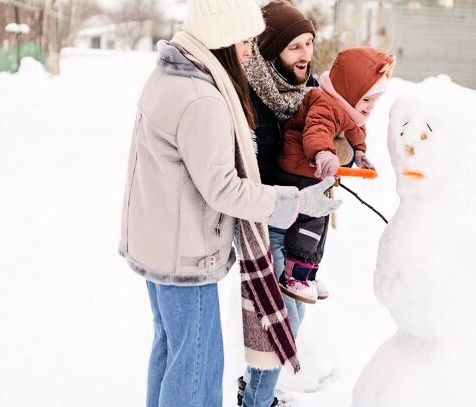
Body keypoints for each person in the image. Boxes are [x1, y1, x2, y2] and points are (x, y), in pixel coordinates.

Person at [117, 0, 342, 406]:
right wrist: (294, 201)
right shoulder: (202, 98)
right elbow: (223, 189)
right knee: (197, 369)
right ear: (221, 40)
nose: (248, 50)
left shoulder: (170, 74)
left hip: (161, 245)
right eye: (243, 40)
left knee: (173, 353)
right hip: (185, 254)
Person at [237, 1, 319, 406]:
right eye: (294, 47)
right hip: (265, 222)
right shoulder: (247, 98)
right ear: (271, 53)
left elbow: (335, 135)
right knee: (282, 318)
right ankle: (257, 400)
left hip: (304, 222)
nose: (305, 55)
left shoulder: (312, 90)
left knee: (290, 316)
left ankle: (252, 387)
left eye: (309, 43)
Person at [277, 46, 396, 304]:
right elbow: (317, 130)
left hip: (313, 172)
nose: (370, 107)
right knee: (310, 223)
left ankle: (308, 273)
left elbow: (355, 132)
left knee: (320, 226)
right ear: (348, 91)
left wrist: (360, 154)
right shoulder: (325, 103)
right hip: (299, 169)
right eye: (366, 100)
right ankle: (295, 275)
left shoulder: (346, 109)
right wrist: (323, 153)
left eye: (374, 101)